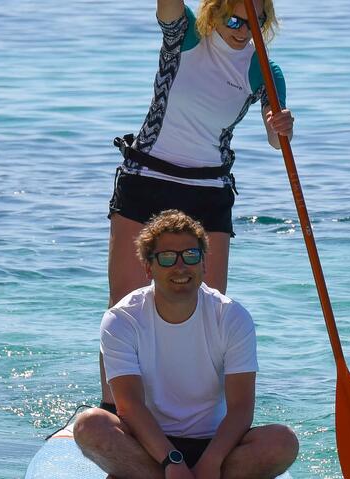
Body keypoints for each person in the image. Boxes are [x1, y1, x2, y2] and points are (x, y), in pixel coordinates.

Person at [105, 0, 292, 404]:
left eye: (258, 23)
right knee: (124, 305)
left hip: (208, 192)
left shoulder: (264, 70)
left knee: (207, 310)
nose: (245, 31)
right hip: (147, 178)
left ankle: (196, 412)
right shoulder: (185, 35)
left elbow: (276, 139)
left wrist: (282, 127)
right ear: (214, 11)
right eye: (236, 20)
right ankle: (115, 409)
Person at [74, 210, 299, 479]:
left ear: (204, 264)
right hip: (149, 445)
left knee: (282, 442)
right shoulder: (122, 319)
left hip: (215, 445)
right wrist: (172, 462)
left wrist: (212, 462)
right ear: (148, 267)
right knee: (90, 425)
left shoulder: (231, 316)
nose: (180, 267)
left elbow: (241, 408)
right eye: (167, 257)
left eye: (190, 255)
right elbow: (129, 406)